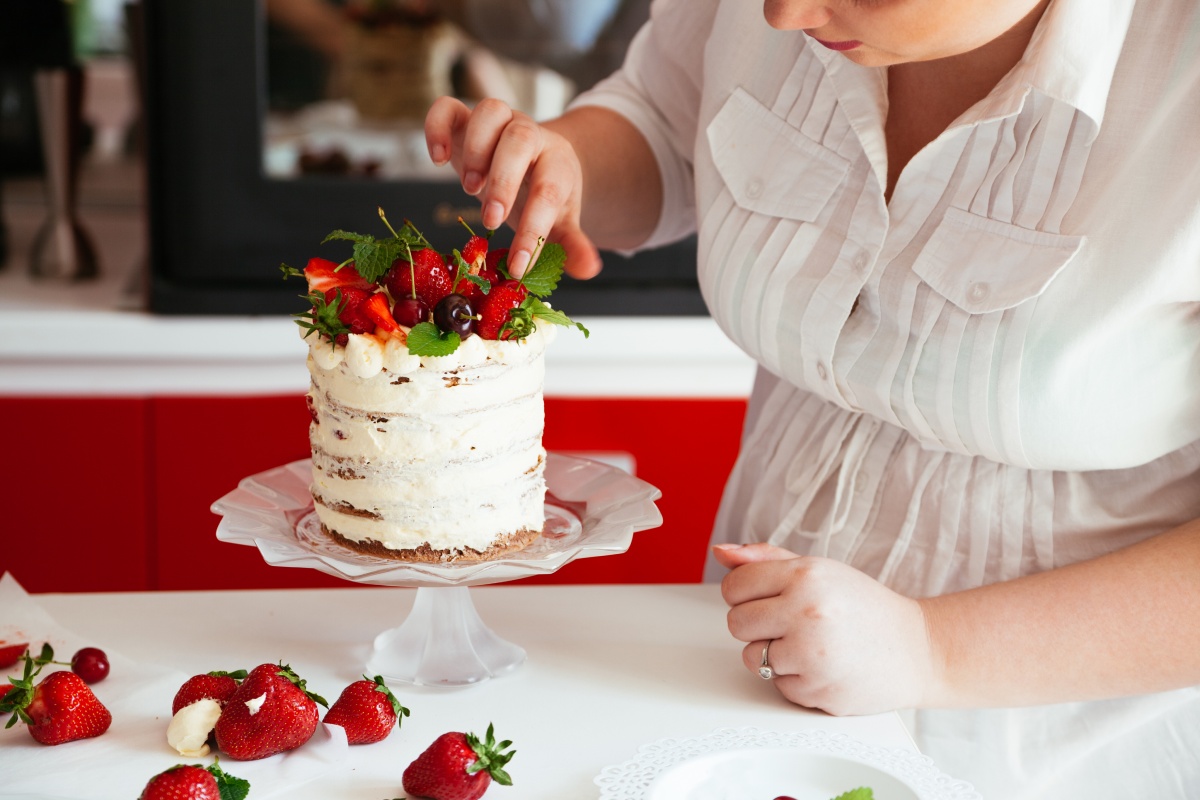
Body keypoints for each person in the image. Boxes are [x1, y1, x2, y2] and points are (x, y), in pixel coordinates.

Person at [423, 0, 1200, 797]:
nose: (782, 14)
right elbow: (666, 121)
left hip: (1053, 760)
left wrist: (931, 649)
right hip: (728, 704)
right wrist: (569, 164)